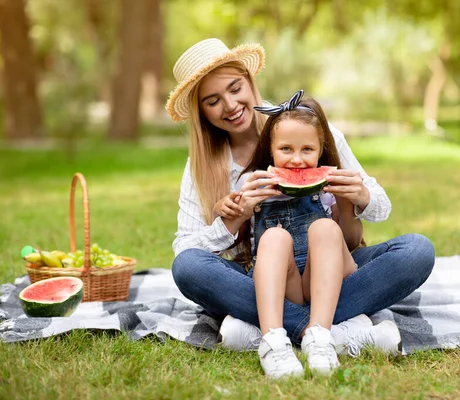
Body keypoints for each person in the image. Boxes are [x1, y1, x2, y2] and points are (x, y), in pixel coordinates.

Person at [166, 38, 435, 371]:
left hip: (333, 265)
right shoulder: (202, 167)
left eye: (235, 88)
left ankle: (267, 331)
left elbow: (366, 222)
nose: (231, 105)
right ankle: (330, 334)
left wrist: (359, 196)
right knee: (188, 268)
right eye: (213, 100)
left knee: (416, 251)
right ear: (201, 112)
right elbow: (185, 249)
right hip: (261, 273)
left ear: (250, 82)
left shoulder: (308, 128)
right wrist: (233, 221)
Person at [218, 89, 401, 378]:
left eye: (307, 150)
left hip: (326, 276)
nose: (297, 161)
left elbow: (351, 240)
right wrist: (231, 207)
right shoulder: (255, 184)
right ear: (271, 149)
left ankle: (315, 336)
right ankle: (279, 340)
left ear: (321, 150)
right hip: (285, 285)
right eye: (286, 150)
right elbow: (228, 222)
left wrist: (348, 199)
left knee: (327, 228)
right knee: (274, 238)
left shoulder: (330, 187)